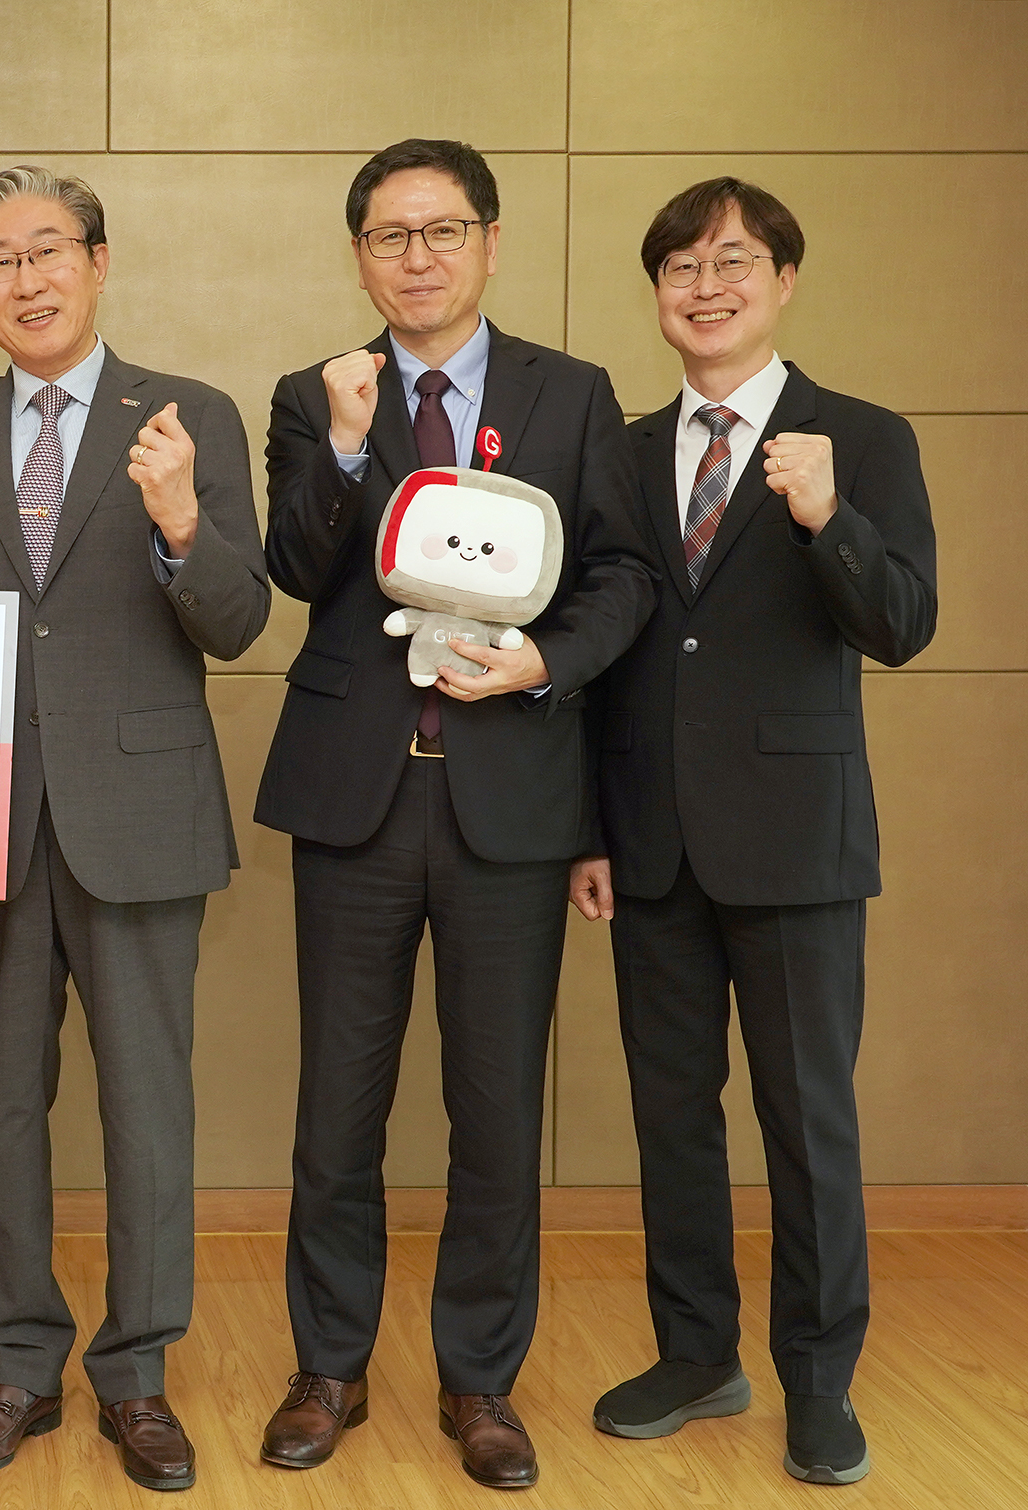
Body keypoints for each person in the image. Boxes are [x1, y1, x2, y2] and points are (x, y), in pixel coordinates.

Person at [252, 139, 654, 1490]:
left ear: (488, 240)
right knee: (335, 1109)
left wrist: (543, 662)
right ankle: (329, 1364)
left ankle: (479, 1377)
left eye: (441, 230)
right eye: (388, 235)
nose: (415, 257)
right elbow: (296, 563)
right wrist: (343, 441)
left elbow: (621, 576)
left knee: (494, 1111)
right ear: (357, 255)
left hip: (511, 801)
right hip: (354, 800)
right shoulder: (316, 394)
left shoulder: (571, 392)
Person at [0, 166, 269, 1494]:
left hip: (141, 812)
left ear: (98, 262)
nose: (27, 278)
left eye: (49, 249)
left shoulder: (188, 417)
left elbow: (237, 619)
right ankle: (19, 1360)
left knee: (148, 1106)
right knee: (3, 1101)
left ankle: (138, 1371)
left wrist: (179, 519)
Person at [570, 179, 936, 1487]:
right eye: (678, 265)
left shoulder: (862, 436)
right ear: (656, 292)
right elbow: (606, 650)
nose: (703, 286)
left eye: (730, 261)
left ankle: (818, 1380)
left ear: (782, 278)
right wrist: (586, 827)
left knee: (805, 1121)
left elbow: (901, 625)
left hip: (794, 839)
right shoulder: (619, 450)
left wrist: (829, 519)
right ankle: (695, 1352)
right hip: (648, 839)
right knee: (670, 1114)